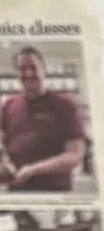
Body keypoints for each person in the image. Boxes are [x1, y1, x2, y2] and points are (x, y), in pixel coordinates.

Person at [0, 49, 90, 193]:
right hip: (16, 189)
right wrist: (4, 161)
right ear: (17, 73)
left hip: (53, 191)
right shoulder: (9, 105)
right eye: (23, 69)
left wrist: (32, 170)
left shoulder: (66, 105)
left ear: (43, 69)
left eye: (33, 68)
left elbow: (74, 155)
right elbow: (1, 140)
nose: (28, 73)